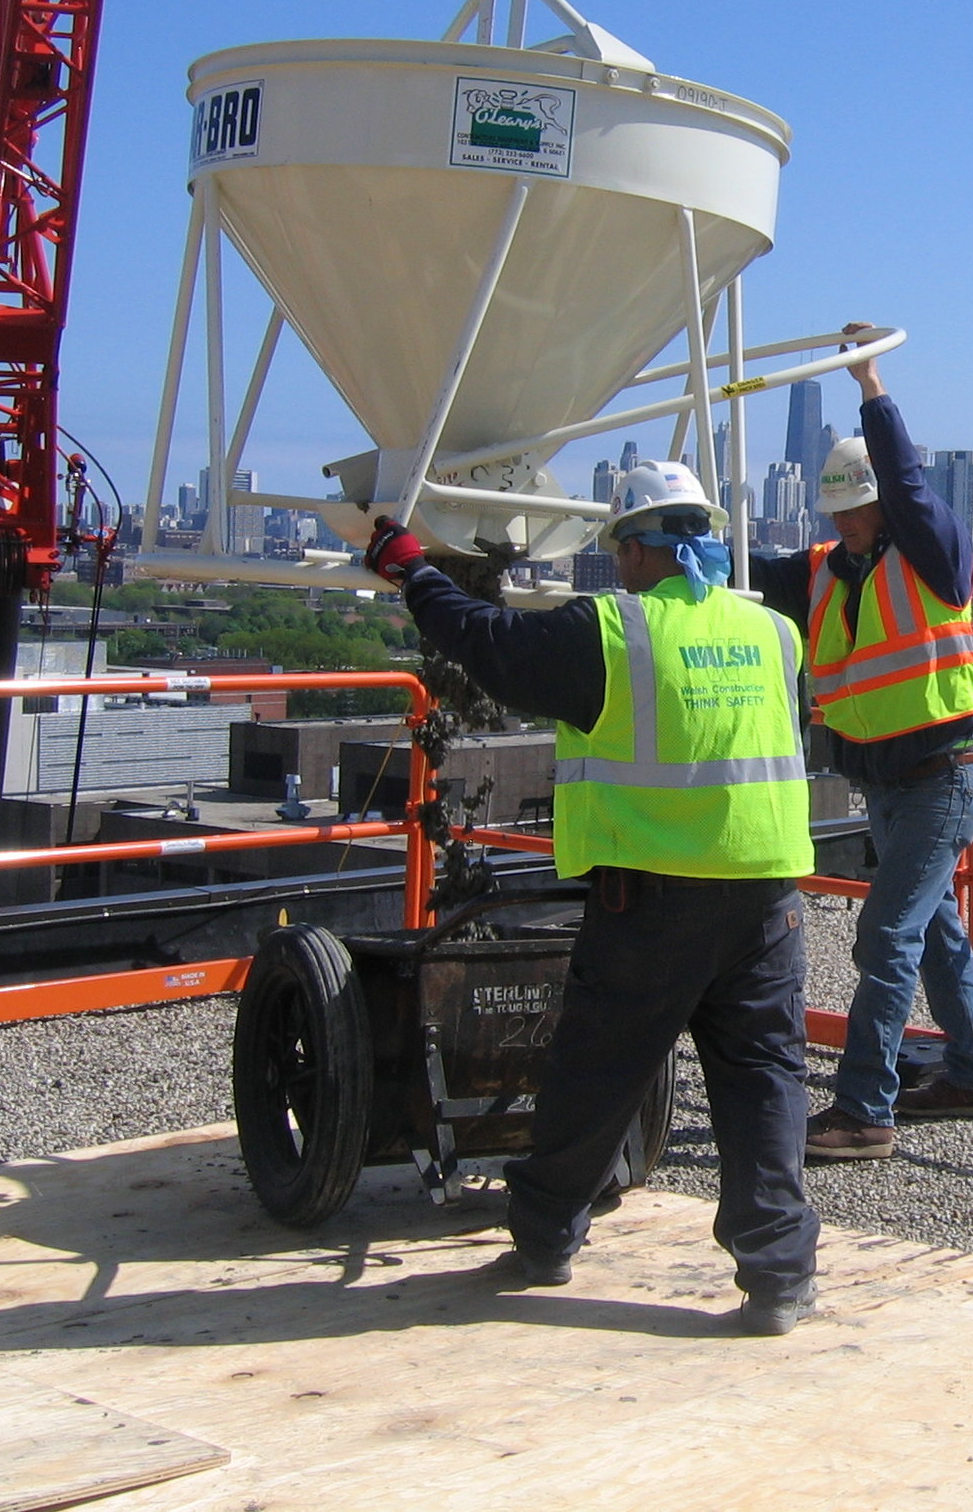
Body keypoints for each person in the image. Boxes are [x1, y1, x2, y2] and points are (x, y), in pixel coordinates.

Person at [364, 462, 821, 1335]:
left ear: (639, 548)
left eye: (618, 548)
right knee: (765, 1078)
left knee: (597, 1072)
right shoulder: (773, 632)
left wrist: (412, 569)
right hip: (766, 897)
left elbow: (486, 641)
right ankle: (779, 1276)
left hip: (650, 900)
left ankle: (542, 1241)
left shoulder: (613, 632)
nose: (616, 566)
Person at [746, 327, 973, 1161]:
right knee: (931, 929)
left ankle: (864, 1108)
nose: (848, 523)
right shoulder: (827, 567)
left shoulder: (931, 554)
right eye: (838, 512)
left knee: (883, 937)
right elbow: (745, 574)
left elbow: (905, 477)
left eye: (859, 509)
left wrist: (870, 382)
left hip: (942, 774)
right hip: (889, 782)